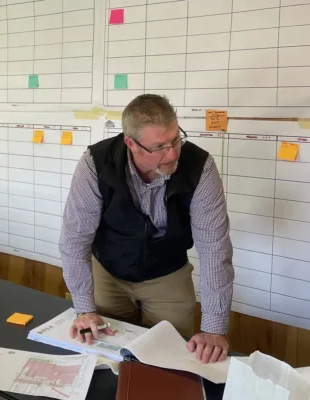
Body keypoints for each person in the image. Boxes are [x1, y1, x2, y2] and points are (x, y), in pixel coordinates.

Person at [60, 94, 234, 365]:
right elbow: (74, 240)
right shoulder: (96, 164)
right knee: (107, 359)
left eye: (176, 139)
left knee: (171, 360)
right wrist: (84, 309)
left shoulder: (200, 168)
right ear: (131, 143)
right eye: (160, 147)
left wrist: (214, 328)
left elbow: (215, 249)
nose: (173, 153)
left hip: (168, 276)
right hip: (109, 274)